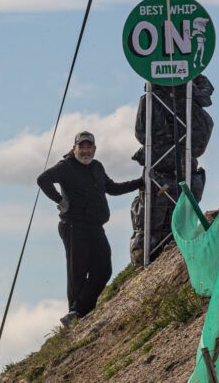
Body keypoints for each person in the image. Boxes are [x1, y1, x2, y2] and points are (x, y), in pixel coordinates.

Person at [36, 131, 143, 327]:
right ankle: (75, 314)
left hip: (95, 227)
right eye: (81, 147)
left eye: (89, 147)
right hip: (73, 226)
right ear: (74, 148)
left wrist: (140, 182)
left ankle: (80, 310)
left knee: (103, 269)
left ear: (94, 149)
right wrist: (60, 200)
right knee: (77, 272)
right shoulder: (66, 166)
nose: (85, 151)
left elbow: (112, 188)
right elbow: (42, 179)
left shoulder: (97, 166)